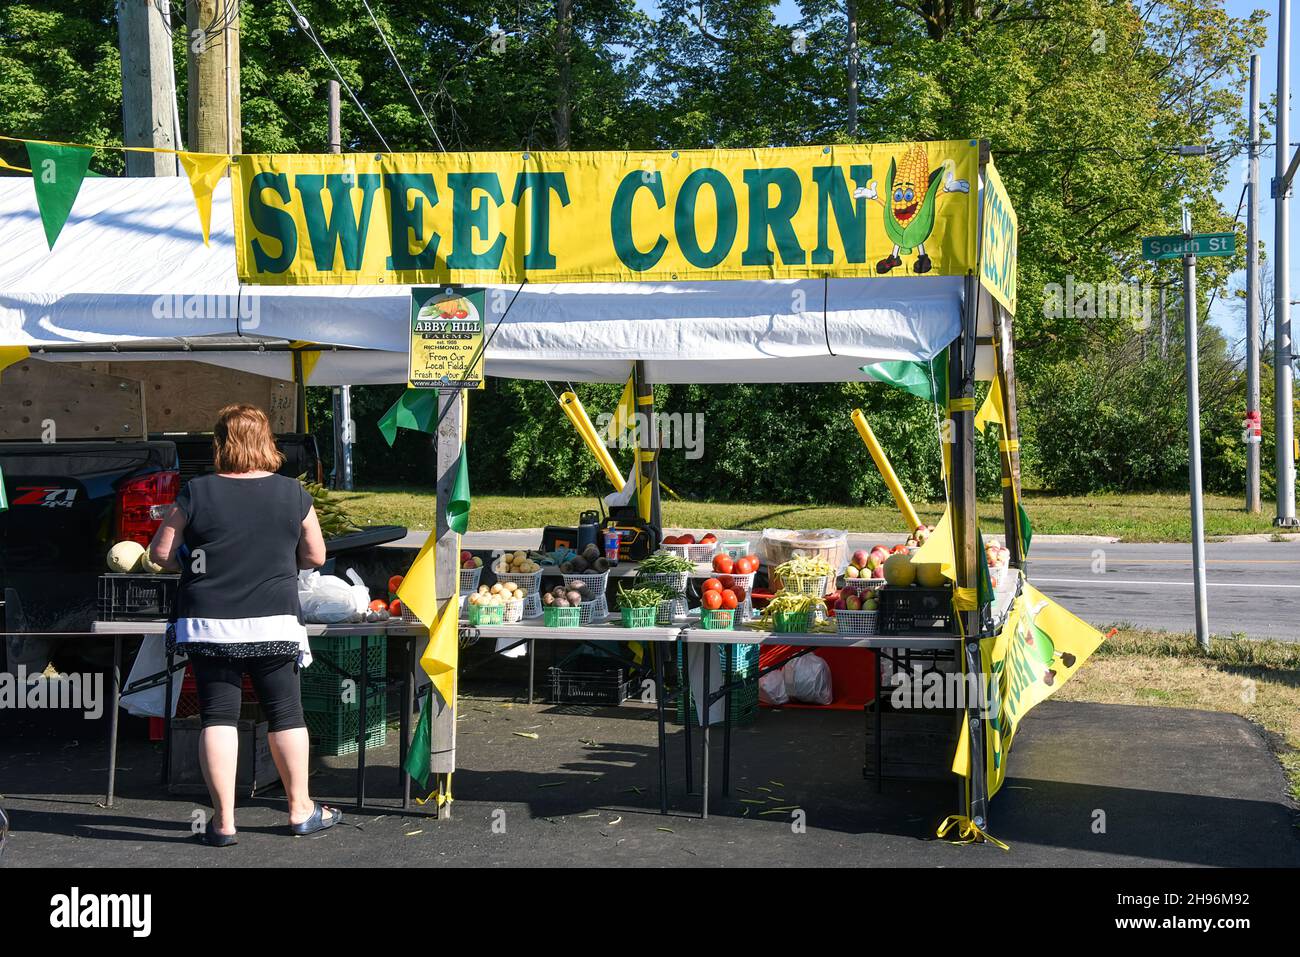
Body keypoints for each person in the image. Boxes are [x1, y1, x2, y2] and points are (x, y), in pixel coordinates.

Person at [149, 404, 339, 846]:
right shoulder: (293, 493)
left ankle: (223, 822)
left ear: (221, 444)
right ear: (266, 442)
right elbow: (315, 556)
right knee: (286, 714)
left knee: (218, 715)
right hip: (273, 621)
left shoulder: (197, 492)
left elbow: (160, 553)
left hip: (209, 624)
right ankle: (300, 810)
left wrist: (190, 558)